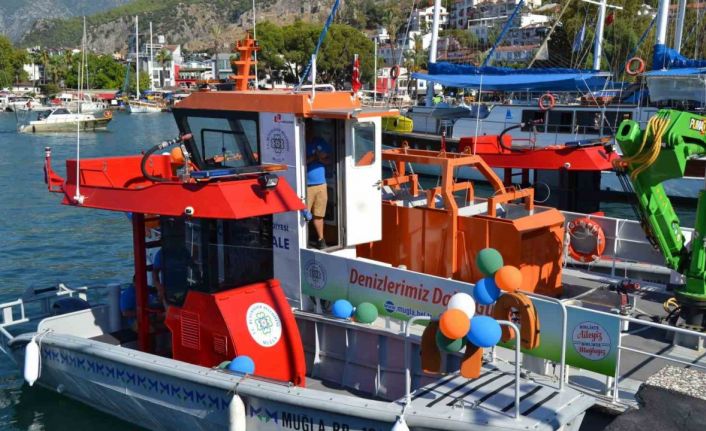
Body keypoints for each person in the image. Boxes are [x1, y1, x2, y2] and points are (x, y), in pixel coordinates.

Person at [305, 123, 331, 250]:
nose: (310, 131)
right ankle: (303, 241)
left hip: (321, 184)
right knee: (305, 215)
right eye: (308, 128)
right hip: (306, 186)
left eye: (311, 128)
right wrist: (314, 157)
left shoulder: (320, 141)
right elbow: (300, 162)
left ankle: (321, 240)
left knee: (319, 214)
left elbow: (328, 159)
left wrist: (319, 159)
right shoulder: (300, 142)